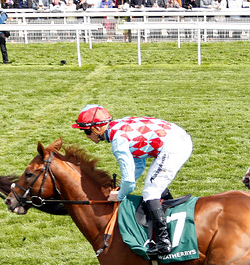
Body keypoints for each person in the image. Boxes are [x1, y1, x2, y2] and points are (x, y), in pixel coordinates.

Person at [72, 104, 193, 255]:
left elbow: (129, 182)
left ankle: (164, 242)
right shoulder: (117, 126)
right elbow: (139, 164)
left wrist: (120, 194)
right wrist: (122, 187)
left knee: (150, 191)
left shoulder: (118, 141)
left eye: (86, 131)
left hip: (174, 147)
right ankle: (170, 219)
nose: (86, 136)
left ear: (96, 129)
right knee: (154, 184)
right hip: (177, 139)